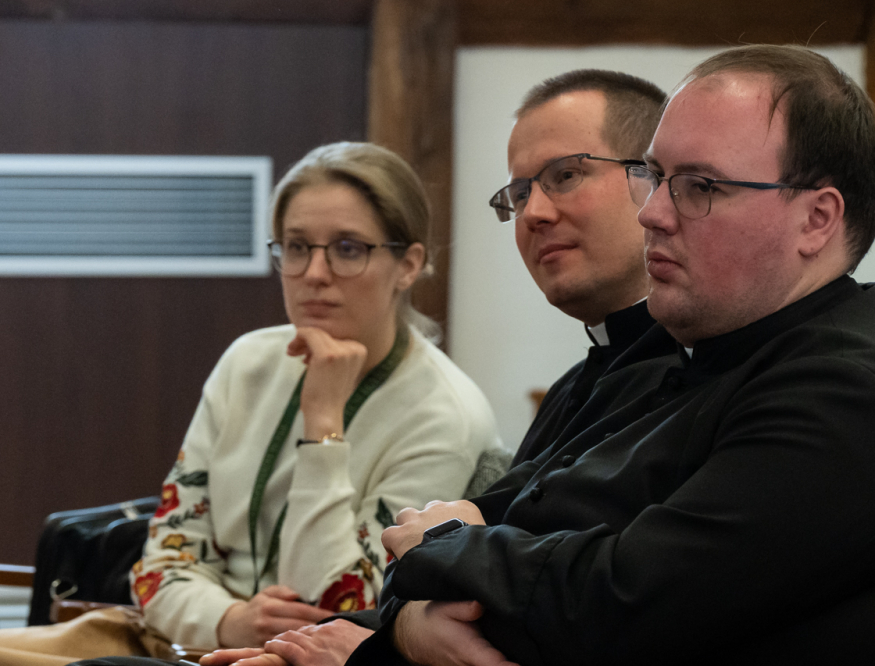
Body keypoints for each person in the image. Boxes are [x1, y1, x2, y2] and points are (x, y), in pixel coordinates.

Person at [351, 45, 875, 666]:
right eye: (656, 177)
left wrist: (439, 563)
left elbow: (612, 613)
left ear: (817, 219)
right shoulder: (704, 355)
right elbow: (507, 524)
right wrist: (412, 613)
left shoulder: (852, 396)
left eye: (698, 186)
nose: (652, 214)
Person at [194, 69, 670, 666]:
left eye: (565, 175)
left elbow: (413, 587)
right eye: (520, 192)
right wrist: (232, 623)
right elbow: (167, 553)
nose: (533, 213)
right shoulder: (577, 384)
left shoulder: (690, 376)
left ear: (656, 184)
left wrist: (387, 639)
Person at [0, 141, 502, 666]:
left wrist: (323, 427)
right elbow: (159, 565)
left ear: (408, 265)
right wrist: (227, 619)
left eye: (348, 248)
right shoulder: (248, 361)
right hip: (172, 635)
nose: (314, 273)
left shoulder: (443, 415)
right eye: (297, 246)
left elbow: (342, 611)